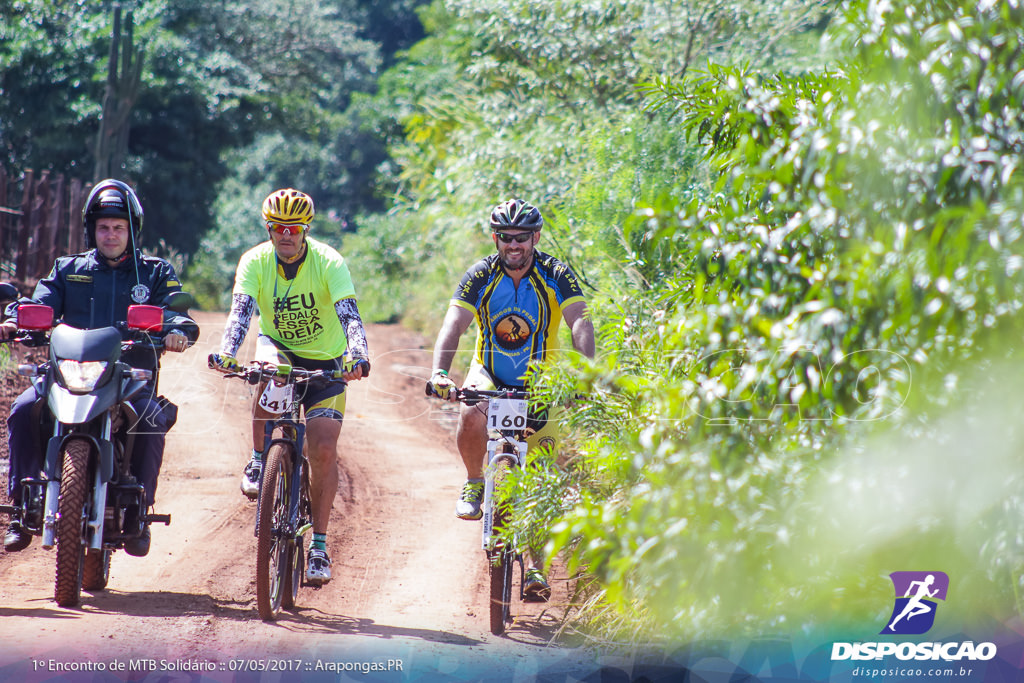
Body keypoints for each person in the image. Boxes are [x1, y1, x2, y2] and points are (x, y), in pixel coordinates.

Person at [2, 178, 199, 557]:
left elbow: (176, 313)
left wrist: (176, 331)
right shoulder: (67, 268)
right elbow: (38, 305)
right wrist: (16, 321)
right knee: (24, 408)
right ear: (91, 229)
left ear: (132, 231)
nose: (110, 234)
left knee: (149, 418)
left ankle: (138, 512)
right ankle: (21, 507)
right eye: (103, 227)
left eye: (118, 227)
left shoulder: (154, 273)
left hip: (129, 379)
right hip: (67, 375)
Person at [425, 198, 596, 601]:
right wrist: (439, 372)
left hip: (541, 379)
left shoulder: (556, 273)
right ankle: (472, 482)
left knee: (537, 477)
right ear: (496, 238)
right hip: (490, 371)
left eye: (521, 237)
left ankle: (536, 568)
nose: (513, 244)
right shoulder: (480, 274)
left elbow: (580, 320)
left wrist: (587, 374)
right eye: (505, 237)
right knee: (470, 415)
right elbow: (455, 324)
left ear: (535, 237)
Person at [209, 188, 369, 586]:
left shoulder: (329, 262)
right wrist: (226, 351)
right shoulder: (255, 261)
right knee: (267, 370)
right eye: (278, 228)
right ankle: (259, 457)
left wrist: (358, 354)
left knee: (324, 447)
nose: (286, 235)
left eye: (294, 229)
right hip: (278, 348)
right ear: (269, 229)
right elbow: (241, 312)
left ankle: (318, 544)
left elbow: (349, 315)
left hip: (326, 361)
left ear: (305, 230)